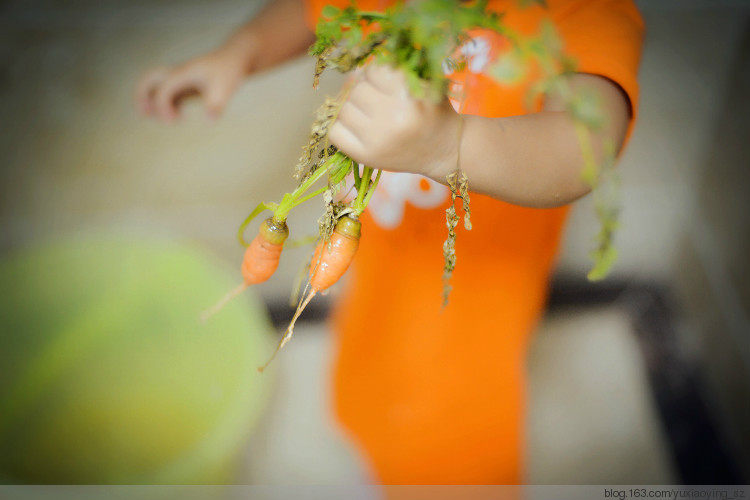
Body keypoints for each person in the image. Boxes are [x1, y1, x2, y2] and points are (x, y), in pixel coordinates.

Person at [136, 0, 643, 485]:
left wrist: (451, 144)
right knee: (367, 395)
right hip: (379, 284)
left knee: (442, 449)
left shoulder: (581, 12)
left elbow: (583, 145)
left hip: (466, 320)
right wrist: (240, 52)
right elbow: (309, 9)